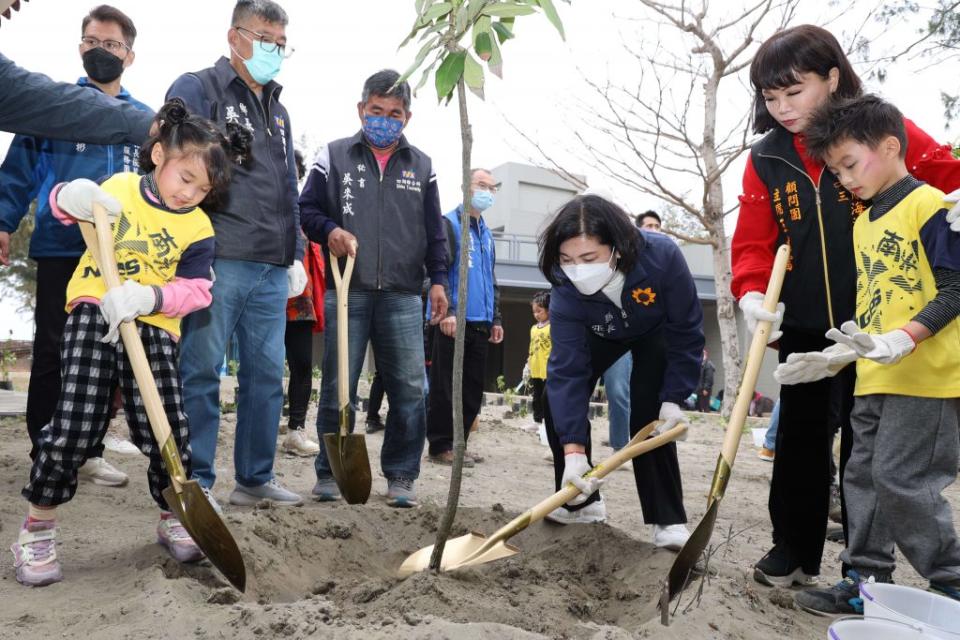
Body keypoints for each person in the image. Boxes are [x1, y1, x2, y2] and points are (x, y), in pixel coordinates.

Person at [730, 24, 960, 588]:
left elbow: (947, 179)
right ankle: (793, 549)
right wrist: (753, 292)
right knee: (801, 440)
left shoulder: (884, 130)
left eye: (795, 91)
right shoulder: (766, 158)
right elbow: (755, 241)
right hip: (810, 325)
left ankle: (866, 571)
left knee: (870, 451)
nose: (783, 108)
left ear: (832, 78)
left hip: (888, 325)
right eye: (770, 97)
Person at [10, 99, 251, 587]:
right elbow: (61, 207)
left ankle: (174, 517)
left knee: (166, 431)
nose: (191, 195)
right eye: (186, 179)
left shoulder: (198, 228)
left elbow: (198, 289)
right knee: (75, 425)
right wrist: (70, 196)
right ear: (160, 154)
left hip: (155, 326)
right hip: (93, 315)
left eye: (203, 189)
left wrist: (150, 296)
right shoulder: (118, 189)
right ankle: (37, 527)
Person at [777, 95, 960, 612]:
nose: (844, 179)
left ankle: (952, 578)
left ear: (890, 146)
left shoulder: (930, 205)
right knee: (859, 476)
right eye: (834, 171)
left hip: (926, 373)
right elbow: (875, 299)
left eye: (850, 164)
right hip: (874, 373)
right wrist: (848, 355)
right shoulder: (863, 222)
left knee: (903, 479)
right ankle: (865, 582)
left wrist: (904, 338)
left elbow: (955, 286)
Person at [0, 4, 151, 487]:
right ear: (79, 46)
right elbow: (18, 176)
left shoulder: (144, 122)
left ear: (129, 55)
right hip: (62, 247)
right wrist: (3, 221)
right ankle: (45, 448)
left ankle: (89, 451)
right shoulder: (54, 108)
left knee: (107, 352)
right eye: (91, 42)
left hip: (122, 258)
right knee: (52, 350)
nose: (100, 51)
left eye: (111, 45)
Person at [167, 0, 306, 508]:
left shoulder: (280, 110)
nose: (275, 51)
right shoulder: (199, 88)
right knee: (202, 369)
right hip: (216, 255)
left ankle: (254, 476)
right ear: (235, 36)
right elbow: (174, 166)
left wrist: (295, 253)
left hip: (271, 263)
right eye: (266, 39)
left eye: (282, 44)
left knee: (267, 374)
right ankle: (197, 479)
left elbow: (289, 183)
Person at [300, 68, 448, 508]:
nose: (385, 119)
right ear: (361, 109)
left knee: (409, 387)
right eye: (376, 110)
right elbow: (306, 209)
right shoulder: (334, 156)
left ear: (407, 118)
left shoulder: (422, 165)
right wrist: (330, 231)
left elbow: (434, 232)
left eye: (395, 113)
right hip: (350, 289)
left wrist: (438, 280)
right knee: (338, 385)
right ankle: (329, 471)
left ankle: (401, 474)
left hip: (403, 292)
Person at [537, 194, 702, 553]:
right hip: (600, 333)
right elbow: (568, 368)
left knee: (649, 411)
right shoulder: (565, 288)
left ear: (616, 248)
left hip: (654, 331)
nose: (577, 269)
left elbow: (685, 331)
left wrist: (674, 396)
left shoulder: (662, 257)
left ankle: (668, 519)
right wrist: (573, 451)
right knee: (556, 395)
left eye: (588, 258)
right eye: (567, 259)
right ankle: (582, 502)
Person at [426, 168, 503, 466]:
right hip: (452, 321)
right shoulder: (448, 224)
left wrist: (495, 318)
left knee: (471, 389)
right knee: (445, 387)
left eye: (491, 187)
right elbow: (438, 271)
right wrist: (450, 312)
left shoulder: (487, 235)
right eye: (481, 185)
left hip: (481, 322)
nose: (487, 191)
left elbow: (490, 279)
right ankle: (440, 445)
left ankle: (460, 444)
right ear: (465, 188)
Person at [280, 149, 324, 456]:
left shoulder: (305, 212)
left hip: (299, 301)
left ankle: (296, 429)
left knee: (302, 365)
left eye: (295, 171)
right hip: (264, 298)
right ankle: (260, 425)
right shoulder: (263, 203)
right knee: (265, 368)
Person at [525, 290, 551, 430]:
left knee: (547, 398)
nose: (536, 314)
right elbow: (531, 347)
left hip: (548, 369)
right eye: (534, 311)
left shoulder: (553, 327)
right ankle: (537, 421)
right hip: (535, 367)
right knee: (536, 396)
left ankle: (548, 422)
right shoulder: (533, 328)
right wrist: (528, 362)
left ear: (548, 310)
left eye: (539, 311)